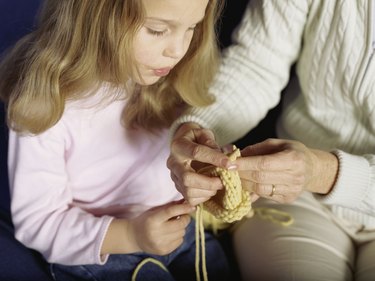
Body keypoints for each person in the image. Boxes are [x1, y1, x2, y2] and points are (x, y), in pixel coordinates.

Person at [0, 0, 231, 280]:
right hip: (105, 250)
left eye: (192, 28)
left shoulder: (169, 77)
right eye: (157, 30)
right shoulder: (47, 104)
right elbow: (38, 223)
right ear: (95, 15)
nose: (178, 50)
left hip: (182, 233)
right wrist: (131, 235)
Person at [167, 0, 375, 280]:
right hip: (292, 194)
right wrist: (200, 127)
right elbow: (257, 63)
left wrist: (323, 172)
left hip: (303, 175)